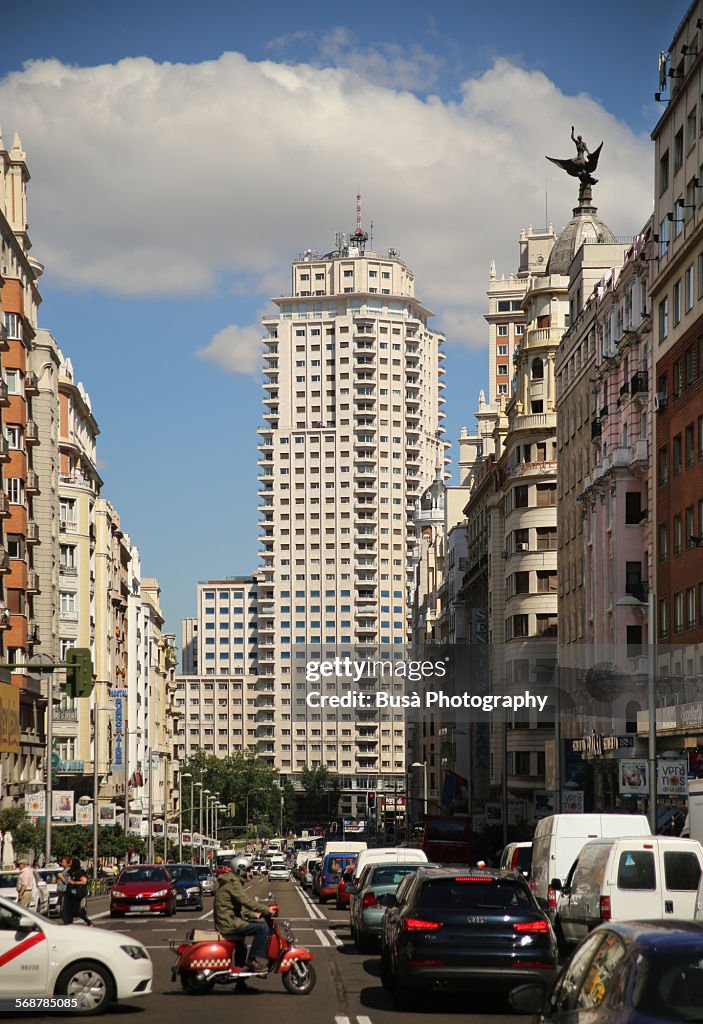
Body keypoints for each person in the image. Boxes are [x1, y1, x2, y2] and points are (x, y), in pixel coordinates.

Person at [214, 856, 272, 974]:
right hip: (229, 923)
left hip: (226, 920)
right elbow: (245, 901)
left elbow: (238, 907)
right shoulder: (233, 883)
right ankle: (252, 961)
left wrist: (253, 914)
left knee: (242, 946)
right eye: (249, 870)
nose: (251, 873)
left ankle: (240, 980)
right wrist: (267, 910)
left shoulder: (231, 881)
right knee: (263, 929)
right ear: (240, 869)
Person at [59, 856, 93, 926]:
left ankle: (88, 921)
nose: (70, 864)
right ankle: (68, 924)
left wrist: (74, 883)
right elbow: (66, 880)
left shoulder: (79, 872)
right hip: (69, 894)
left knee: (76, 911)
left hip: (76, 894)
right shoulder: (70, 871)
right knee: (67, 910)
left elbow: (84, 881)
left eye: (71, 862)